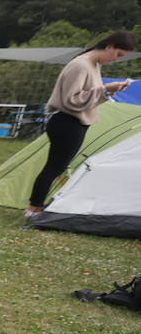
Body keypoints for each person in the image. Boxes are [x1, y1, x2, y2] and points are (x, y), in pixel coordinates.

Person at [26, 31, 136, 216]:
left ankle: (36, 206)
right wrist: (104, 89)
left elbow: (88, 96)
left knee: (57, 166)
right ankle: (33, 208)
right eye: (118, 55)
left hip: (74, 123)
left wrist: (107, 91)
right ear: (109, 46)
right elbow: (72, 99)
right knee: (54, 166)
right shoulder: (81, 65)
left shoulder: (92, 65)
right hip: (67, 122)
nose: (116, 59)